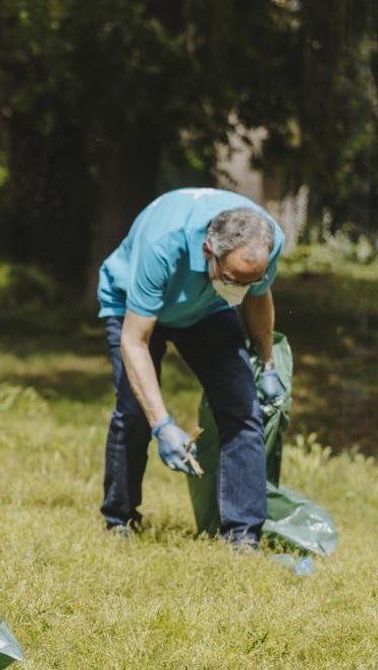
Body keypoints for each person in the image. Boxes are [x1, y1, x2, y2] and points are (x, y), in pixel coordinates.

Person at [95, 187, 287, 547]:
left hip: (208, 307)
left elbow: (259, 299)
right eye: (234, 280)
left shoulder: (268, 241)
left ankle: (243, 537)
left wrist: (268, 362)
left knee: (243, 408)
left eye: (250, 280)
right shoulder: (163, 245)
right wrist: (162, 425)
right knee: (134, 413)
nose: (242, 291)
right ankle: (119, 519)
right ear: (207, 252)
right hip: (133, 306)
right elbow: (134, 342)